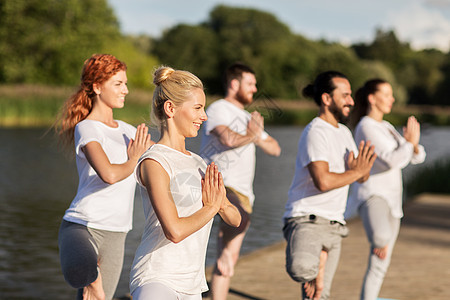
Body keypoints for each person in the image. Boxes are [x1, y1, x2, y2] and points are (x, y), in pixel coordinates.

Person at [129, 66, 241, 300]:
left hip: (192, 285)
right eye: (198, 108)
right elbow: (175, 231)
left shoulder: (200, 163)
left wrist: (221, 205)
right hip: (157, 278)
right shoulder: (154, 161)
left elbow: (235, 218)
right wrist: (211, 208)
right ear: (171, 109)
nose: (205, 116)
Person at [55, 54, 153, 300]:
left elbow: (156, 165)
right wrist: (134, 159)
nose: (126, 90)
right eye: (118, 84)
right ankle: (91, 278)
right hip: (82, 225)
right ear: (97, 87)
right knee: (85, 277)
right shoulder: (87, 128)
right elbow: (108, 174)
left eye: (126, 83)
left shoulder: (129, 131)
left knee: (99, 298)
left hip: (117, 232)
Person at [283, 71, 377, 300]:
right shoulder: (315, 132)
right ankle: (318, 265)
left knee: (319, 296)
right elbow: (323, 181)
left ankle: (320, 265)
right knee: (303, 269)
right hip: (308, 219)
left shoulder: (344, 132)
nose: (351, 101)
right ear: (326, 99)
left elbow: (360, 177)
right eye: (345, 95)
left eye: (351, 95)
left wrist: (361, 170)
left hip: (335, 224)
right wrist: (355, 172)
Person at [199, 62, 281, 299]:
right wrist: (253, 135)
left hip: (245, 191)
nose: (255, 89)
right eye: (250, 83)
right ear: (234, 84)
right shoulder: (219, 109)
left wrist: (255, 136)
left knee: (229, 260)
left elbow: (274, 148)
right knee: (239, 221)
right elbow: (228, 139)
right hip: (219, 182)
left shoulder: (247, 117)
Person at [346, 79, 426, 300]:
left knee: (380, 263)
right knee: (381, 240)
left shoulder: (387, 127)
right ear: (372, 98)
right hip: (373, 196)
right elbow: (392, 160)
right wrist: (410, 143)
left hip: (393, 202)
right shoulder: (365, 127)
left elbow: (418, 157)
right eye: (387, 94)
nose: (392, 99)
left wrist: (413, 144)